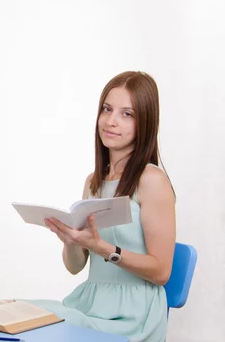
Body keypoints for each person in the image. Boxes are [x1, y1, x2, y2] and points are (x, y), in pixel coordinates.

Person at [27, 71, 176, 342]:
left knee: (39, 326)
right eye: (107, 109)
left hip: (135, 314)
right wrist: (70, 239)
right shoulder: (93, 182)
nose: (111, 121)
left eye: (126, 114)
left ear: (145, 122)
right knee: (20, 312)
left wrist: (104, 249)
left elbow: (162, 272)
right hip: (91, 302)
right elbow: (75, 267)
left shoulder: (151, 180)